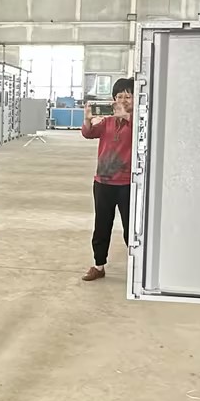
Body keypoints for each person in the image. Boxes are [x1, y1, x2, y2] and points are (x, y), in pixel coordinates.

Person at [80, 77, 134, 282]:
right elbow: (89, 133)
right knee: (102, 226)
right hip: (103, 182)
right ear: (113, 99)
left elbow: (144, 135)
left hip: (128, 184)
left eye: (128, 96)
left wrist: (127, 117)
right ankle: (98, 265)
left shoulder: (139, 122)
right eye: (119, 96)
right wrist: (87, 119)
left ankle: (137, 268)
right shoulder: (108, 122)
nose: (123, 100)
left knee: (131, 228)